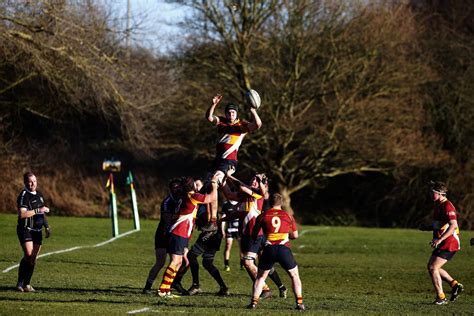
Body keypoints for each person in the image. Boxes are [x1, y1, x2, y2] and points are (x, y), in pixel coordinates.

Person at [202, 94, 262, 232]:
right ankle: (210, 219)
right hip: (217, 161)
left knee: (214, 181)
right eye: (229, 112)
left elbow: (257, 125)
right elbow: (209, 117)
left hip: (229, 162)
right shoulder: (222, 122)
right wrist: (213, 104)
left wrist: (253, 111)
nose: (231, 114)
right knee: (208, 187)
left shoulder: (241, 125)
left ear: (236, 114)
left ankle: (213, 221)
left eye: (233, 112)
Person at [157, 174, 219, 297]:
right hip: (178, 232)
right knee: (175, 261)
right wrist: (214, 184)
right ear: (192, 186)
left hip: (180, 233)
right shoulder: (193, 197)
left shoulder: (185, 196)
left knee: (179, 262)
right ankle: (163, 289)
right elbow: (211, 198)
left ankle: (167, 289)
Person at [248, 193, 304, 310]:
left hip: (268, 249)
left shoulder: (262, 216)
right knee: (294, 275)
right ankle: (299, 303)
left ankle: (253, 303)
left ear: (270, 203)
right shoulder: (288, 216)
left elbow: (254, 234)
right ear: (281, 203)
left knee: (260, 277)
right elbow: (295, 235)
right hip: (284, 249)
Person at [427, 181, 464, 305]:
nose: (430, 194)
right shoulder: (438, 205)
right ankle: (455, 285)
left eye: (432, 192)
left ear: (440, 193)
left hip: (450, 242)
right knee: (433, 267)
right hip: (443, 241)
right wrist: (428, 227)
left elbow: (453, 225)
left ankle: (441, 298)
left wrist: (439, 239)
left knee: (433, 267)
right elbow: (441, 224)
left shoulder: (447, 206)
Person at [142, 178, 182, 294]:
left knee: (179, 261)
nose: (177, 189)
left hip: (175, 234)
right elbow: (166, 220)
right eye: (175, 187)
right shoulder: (167, 202)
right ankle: (147, 287)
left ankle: (170, 284)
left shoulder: (182, 200)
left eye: (178, 187)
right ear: (170, 189)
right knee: (160, 262)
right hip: (163, 234)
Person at [186, 196, 230, 296]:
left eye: (198, 184)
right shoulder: (199, 201)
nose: (196, 187)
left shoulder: (207, 203)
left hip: (211, 234)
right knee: (207, 262)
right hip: (214, 235)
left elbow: (211, 211)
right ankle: (223, 287)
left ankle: (196, 285)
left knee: (191, 256)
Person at [16, 172, 50, 292]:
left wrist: (46, 226)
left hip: (37, 231)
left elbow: (42, 212)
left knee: (33, 258)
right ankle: (20, 283)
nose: (32, 184)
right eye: (30, 182)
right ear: (25, 182)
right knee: (28, 255)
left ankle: (27, 284)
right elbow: (22, 214)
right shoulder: (23, 195)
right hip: (26, 229)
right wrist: (37, 210)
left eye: (34, 181)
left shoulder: (39, 195)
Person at [221, 199, 242, 271]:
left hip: (239, 230)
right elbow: (223, 218)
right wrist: (222, 230)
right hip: (230, 229)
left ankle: (242, 265)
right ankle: (226, 265)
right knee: (228, 246)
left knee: (242, 248)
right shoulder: (226, 204)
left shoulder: (240, 203)